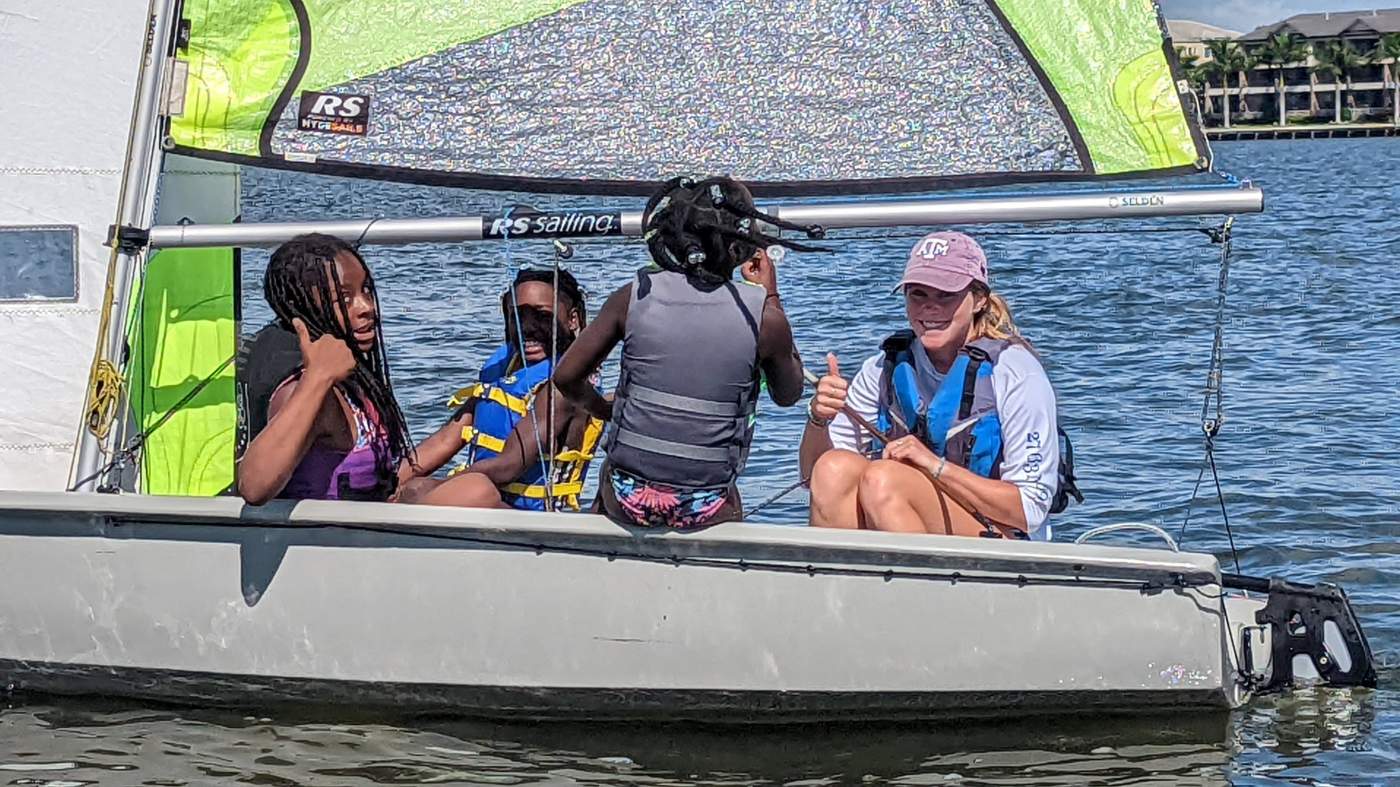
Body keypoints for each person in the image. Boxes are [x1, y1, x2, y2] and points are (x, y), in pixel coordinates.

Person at [553, 175, 819, 529]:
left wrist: (605, 409)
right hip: (707, 505)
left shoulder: (633, 296)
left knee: (613, 477)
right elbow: (789, 394)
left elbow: (566, 376)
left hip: (625, 497)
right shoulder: (763, 318)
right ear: (743, 246)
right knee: (724, 496)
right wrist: (770, 295)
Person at [798, 231, 1072, 540]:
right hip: (907, 515)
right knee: (833, 468)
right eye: (918, 294)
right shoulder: (881, 368)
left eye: (946, 295)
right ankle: (844, 583)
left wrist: (934, 466)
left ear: (979, 299)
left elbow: (1029, 511)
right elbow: (813, 480)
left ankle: (922, 585)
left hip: (1003, 537)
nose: (930, 308)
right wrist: (818, 418)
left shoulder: (1016, 371)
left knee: (883, 480)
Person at [397, 268, 603, 510]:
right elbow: (444, 441)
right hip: (492, 502)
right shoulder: (506, 371)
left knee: (475, 490)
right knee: (412, 486)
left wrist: (443, 486)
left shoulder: (565, 385)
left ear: (573, 319)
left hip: (533, 520)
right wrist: (387, 483)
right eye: (518, 316)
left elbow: (508, 466)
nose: (528, 327)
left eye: (541, 315)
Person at [236, 234, 413, 504]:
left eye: (366, 290)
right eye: (343, 298)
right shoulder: (306, 390)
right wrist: (318, 376)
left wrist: (463, 423)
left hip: (369, 525)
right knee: (476, 490)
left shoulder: (353, 383)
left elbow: (387, 479)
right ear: (304, 306)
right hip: (325, 541)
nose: (367, 307)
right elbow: (254, 486)